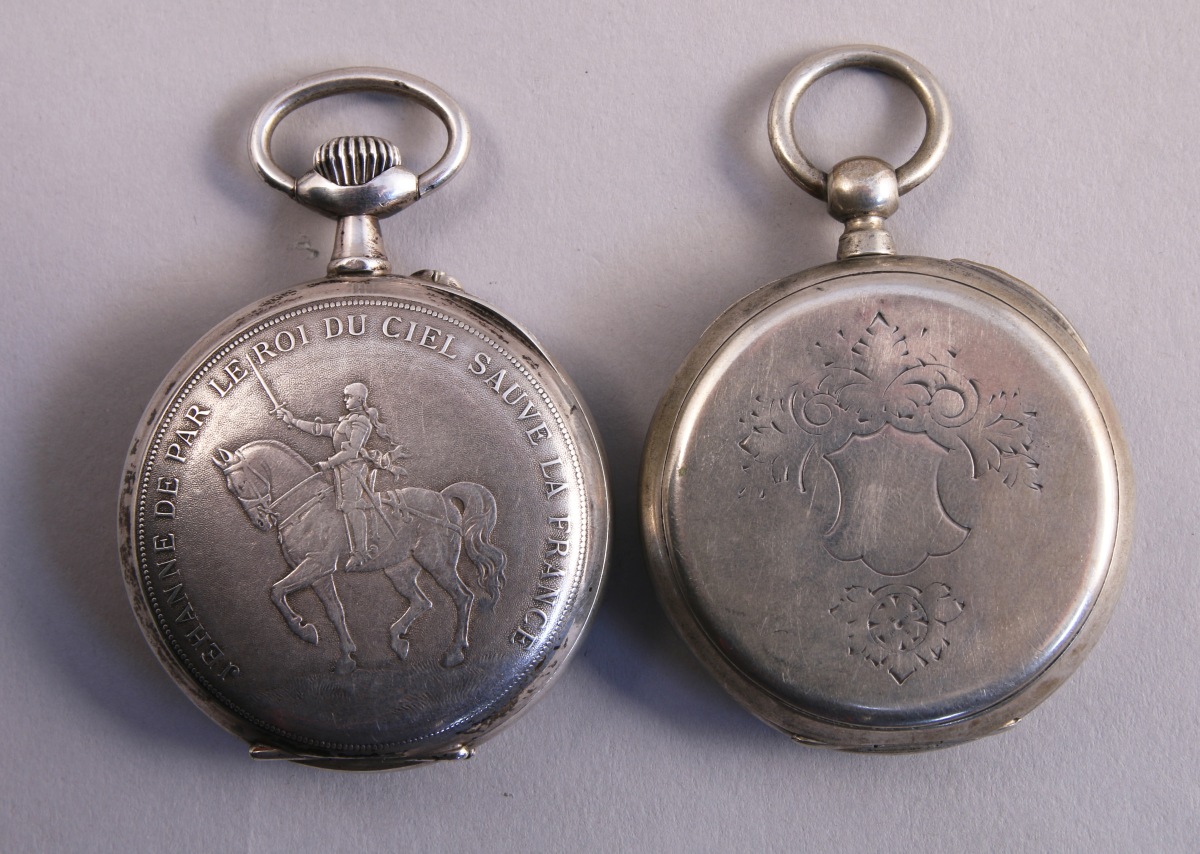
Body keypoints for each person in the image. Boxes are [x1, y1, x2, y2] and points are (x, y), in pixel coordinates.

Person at [277, 382, 398, 568]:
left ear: (360, 399)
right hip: (341, 470)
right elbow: (318, 429)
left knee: (352, 506)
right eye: (345, 396)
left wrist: (328, 463)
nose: (344, 399)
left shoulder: (361, 422)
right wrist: (292, 421)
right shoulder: (347, 421)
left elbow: (352, 451)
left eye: (349, 396)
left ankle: (361, 552)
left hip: (354, 471)